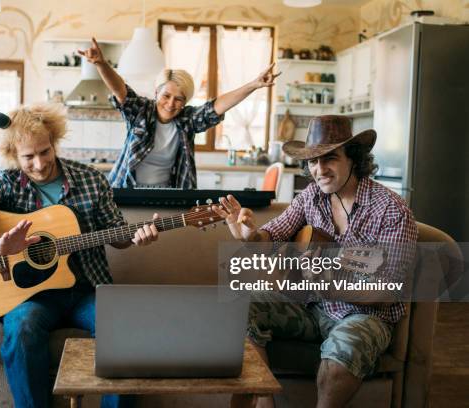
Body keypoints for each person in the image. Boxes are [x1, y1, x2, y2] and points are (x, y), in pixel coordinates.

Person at [0, 103, 159, 408]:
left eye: (45, 152)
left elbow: (118, 234)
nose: (40, 164)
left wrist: (137, 237)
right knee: (21, 328)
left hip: (87, 289)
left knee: (124, 323)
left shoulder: (90, 180)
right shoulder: (6, 181)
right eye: (28, 157)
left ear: (54, 142)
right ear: (12, 156)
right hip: (31, 296)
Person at [215, 115, 418, 408]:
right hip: (312, 308)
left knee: (340, 355)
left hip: (365, 316)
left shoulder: (391, 210)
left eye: (329, 159)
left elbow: (387, 292)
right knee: (238, 304)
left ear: (353, 158)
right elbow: (273, 234)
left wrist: (329, 285)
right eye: (312, 161)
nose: (319, 170)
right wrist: (247, 234)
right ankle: (264, 401)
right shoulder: (311, 196)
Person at [78, 38, 281, 189]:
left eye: (179, 99)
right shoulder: (142, 111)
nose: (170, 104)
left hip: (166, 192)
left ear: (185, 102)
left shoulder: (186, 120)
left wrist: (254, 85)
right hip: (126, 188)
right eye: (166, 95)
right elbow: (120, 90)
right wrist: (100, 64)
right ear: (156, 92)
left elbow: (217, 106)